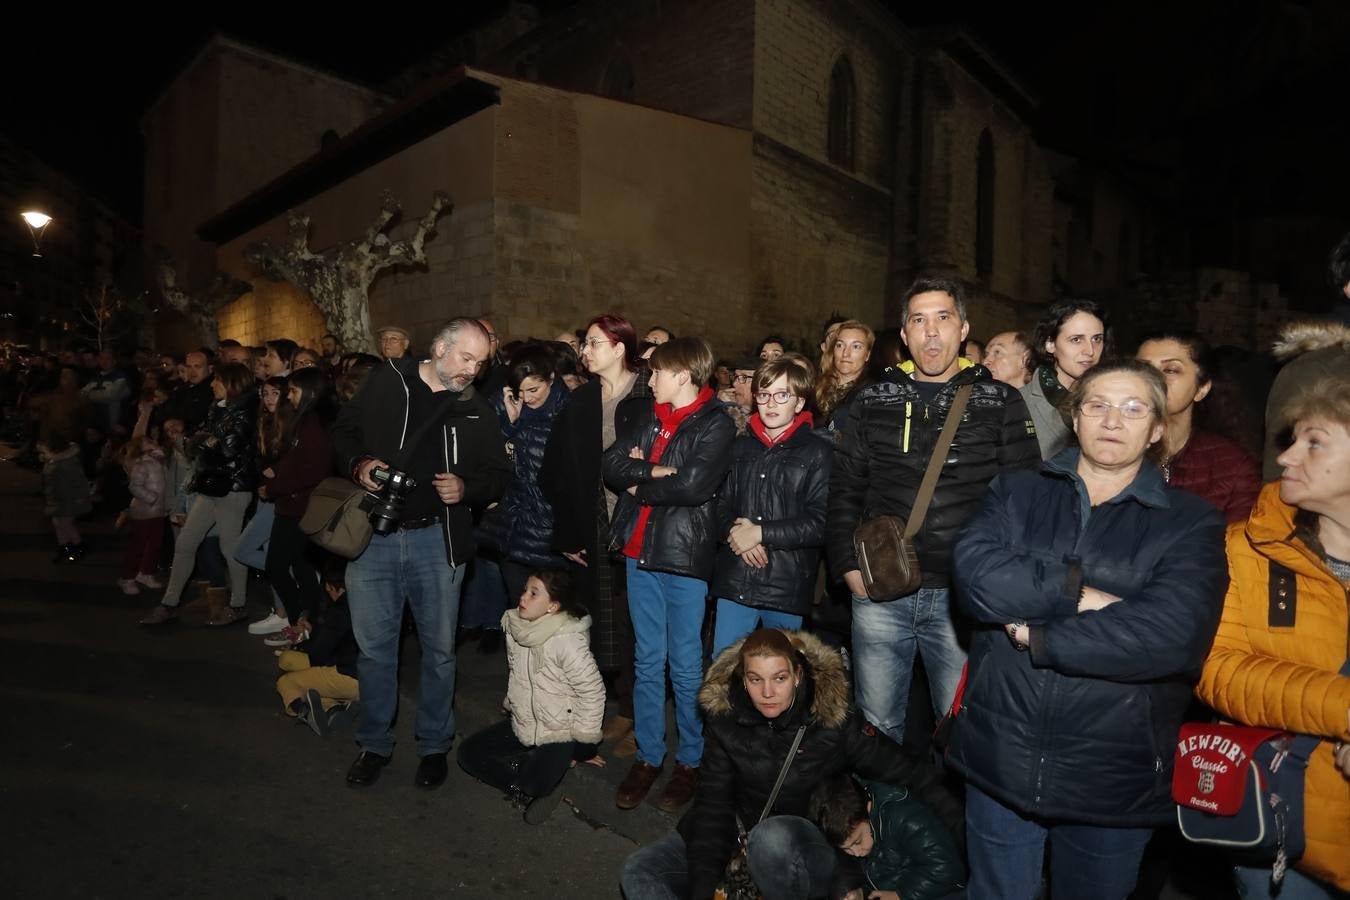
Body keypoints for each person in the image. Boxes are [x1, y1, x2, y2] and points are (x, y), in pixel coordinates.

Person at [949, 358, 1228, 899]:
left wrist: (1041, 636)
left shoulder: (1189, 521)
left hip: (1112, 775)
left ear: (1156, 429)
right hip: (1001, 754)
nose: (1111, 420)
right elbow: (977, 580)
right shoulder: (1016, 491)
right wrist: (1076, 590)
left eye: (1132, 408)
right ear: (1075, 419)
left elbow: (1170, 636)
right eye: (1097, 405)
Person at [827, 277, 1039, 745]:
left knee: (961, 729)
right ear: (904, 335)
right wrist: (846, 565)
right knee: (877, 728)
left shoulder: (999, 401)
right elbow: (844, 488)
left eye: (942, 318)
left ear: (963, 328)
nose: (931, 332)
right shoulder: (872, 398)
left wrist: (1004, 581)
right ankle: (883, 816)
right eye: (918, 320)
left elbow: (1026, 498)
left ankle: (953, 818)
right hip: (881, 588)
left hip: (963, 599)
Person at [619, 628, 962, 900]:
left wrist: (974, 846)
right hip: (738, 835)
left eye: (779, 678)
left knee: (772, 839)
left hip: (804, 850)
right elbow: (713, 805)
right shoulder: (725, 720)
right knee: (640, 870)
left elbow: (917, 776)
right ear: (742, 678)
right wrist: (702, 889)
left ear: (797, 675)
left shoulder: (832, 722)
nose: (768, 692)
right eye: (756, 680)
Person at [331, 318, 510, 790]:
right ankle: (374, 744)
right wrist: (360, 464)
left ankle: (434, 746)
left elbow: (499, 473)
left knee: (438, 652)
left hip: (439, 541)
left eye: (480, 362)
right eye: (466, 358)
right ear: (439, 348)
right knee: (374, 652)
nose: (472, 370)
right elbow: (342, 434)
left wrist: (467, 488)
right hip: (374, 539)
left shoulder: (475, 408)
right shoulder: (388, 379)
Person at [1196, 376, 1350, 895]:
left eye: (1314, 443)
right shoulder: (1248, 548)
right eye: (1292, 440)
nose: (1285, 458)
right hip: (1289, 827)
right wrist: (1344, 711)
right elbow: (1219, 669)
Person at [603, 336, 735, 813]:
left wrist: (642, 480)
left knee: (683, 666)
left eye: (656, 371)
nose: (649, 378)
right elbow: (612, 465)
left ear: (683, 374)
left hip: (683, 558)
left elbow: (696, 485)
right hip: (639, 555)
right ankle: (649, 756)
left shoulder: (715, 423)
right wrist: (657, 472)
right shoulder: (647, 415)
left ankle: (691, 762)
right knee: (646, 662)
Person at [539, 313, 651, 756]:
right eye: (584, 344)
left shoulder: (648, 393)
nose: (584, 352)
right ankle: (614, 705)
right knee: (605, 623)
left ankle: (637, 715)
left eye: (593, 343)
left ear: (620, 347)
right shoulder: (581, 399)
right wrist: (568, 535)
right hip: (595, 526)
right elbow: (557, 472)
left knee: (639, 627)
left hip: (642, 525)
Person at [457, 569, 605, 824]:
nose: (523, 597)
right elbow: (518, 674)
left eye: (533, 593)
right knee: (468, 754)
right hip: (527, 720)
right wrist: (511, 704)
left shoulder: (568, 641)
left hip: (561, 730)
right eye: (525, 590)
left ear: (553, 606)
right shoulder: (516, 626)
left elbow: (593, 692)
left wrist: (583, 744)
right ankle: (523, 782)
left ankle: (533, 782)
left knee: (535, 783)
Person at [710, 357, 831, 657]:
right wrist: (735, 534)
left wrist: (761, 533)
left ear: (800, 402)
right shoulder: (740, 446)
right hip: (736, 578)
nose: (771, 403)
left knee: (783, 672)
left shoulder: (817, 452)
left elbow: (820, 522)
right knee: (726, 671)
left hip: (785, 585)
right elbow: (719, 503)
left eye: (782, 395)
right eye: (763, 395)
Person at [140, 363, 258, 626]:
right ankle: (169, 602)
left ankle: (238, 604)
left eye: (217, 380)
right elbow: (201, 440)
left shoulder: (244, 411)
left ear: (230, 382)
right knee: (185, 543)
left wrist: (203, 442)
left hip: (233, 488)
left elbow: (227, 448)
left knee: (231, 549)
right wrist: (204, 441)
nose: (213, 384)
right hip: (210, 485)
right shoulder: (218, 408)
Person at [1136, 331, 1260, 523]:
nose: (1153, 379)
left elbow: (1238, 545)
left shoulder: (1232, 466)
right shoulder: (1108, 447)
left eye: (1170, 370)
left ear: (1202, 388)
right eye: (1143, 368)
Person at [492, 343, 571, 609]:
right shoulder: (508, 408)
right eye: (520, 391)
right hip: (512, 531)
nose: (526, 397)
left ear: (551, 379)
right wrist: (508, 424)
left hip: (550, 536)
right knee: (518, 613)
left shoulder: (569, 413)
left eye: (533, 389)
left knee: (551, 620)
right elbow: (491, 463)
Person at [811, 772, 966, 900]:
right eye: (846, 849)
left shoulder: (902, 817)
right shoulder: (856, 828)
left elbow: (948, 869)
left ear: (868, 807)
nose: (857, 853)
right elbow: (880, 874)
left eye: (857, 841)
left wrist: (901, 895)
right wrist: (862, 893)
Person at [261, 367, 334, 634]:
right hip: (294, 506)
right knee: (300, 569)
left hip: (299, 508)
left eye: (293, 391)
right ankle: (307, 625)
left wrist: (273, 488)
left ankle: (299, 623)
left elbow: (310, 471)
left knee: (277, 567)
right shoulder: (302, 421)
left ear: (310, 392)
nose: (288, 397)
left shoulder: (313, 424)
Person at [276, 559, 359, 737]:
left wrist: (308, 637)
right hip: (373, 676)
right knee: (287, 659)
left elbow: (318, 655)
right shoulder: (366, 601)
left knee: (286, 682)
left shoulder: (340, 609)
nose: (329, 594)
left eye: (329, 590)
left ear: (334, 586)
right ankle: (334, 705)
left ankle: (313, 711)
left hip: (349, 676)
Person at [1021, 299, 1109, 460]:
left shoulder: (1112, 403)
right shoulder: (1017, 404)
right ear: (1050, 344)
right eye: (1076, 340)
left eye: (1097, 339)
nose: (1090, 351)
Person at [116, 435, 167, 595]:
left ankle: (146, 573)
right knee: (137, 545)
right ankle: (127, 578)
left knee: (155, 544)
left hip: (159, 510)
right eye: (147, 441)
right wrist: (152, 498)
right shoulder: (141, 464)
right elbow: (135, 486)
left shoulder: (161, 461)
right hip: (144, 511)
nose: (152, 441)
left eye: (152, 439)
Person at [815, 319, 874, 437]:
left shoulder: (873, 396)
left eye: (856, 346)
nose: (846, 353)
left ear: (867, 355)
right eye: (840, 345)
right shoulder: (815, 388)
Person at [43, 432, 91, 563]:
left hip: (68, 498)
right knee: (59, 524)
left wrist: (81, 497)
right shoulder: (56, 459)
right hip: (58, 498)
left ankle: (76, 547)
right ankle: (66, 547)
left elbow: (80, 481)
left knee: (65, 524)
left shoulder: (66, 462)